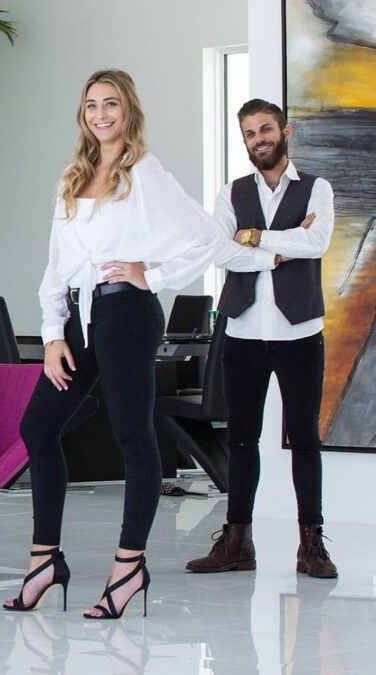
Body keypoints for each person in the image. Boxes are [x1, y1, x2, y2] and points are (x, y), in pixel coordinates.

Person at [4, 70, 218, 619]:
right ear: (83, 114)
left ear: (128, 111)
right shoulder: (72, 178)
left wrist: (153, 274)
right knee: (38, 427)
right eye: (92, 105)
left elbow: (206, 236)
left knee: (131, 434)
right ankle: (44, 561)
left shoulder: (143, 171)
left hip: (127, 312)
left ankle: (128, 568)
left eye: (111, 104)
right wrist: (53, 335)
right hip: (79, 317)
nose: (101, 114)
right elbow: (56, 265)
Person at [187, 99, 336, 578]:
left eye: (266, 129)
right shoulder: (231, 192)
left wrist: (253, 237)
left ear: (285, 132)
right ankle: (237, 543)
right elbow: (219, 252)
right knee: (241, 439)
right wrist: (279, 249)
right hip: (244, 331)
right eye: (250, 133)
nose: (259, 139)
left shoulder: (317, 189)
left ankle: (311, 544)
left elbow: (317, 243)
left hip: (300, 333)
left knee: (306, 439)